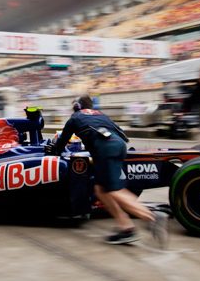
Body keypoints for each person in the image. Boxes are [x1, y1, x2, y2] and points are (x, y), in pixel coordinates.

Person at [46, 95, 169, 248]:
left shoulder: (75, 117)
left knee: (114, 190)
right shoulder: (101, 115)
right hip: (119, 146)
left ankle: (151, 217)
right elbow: (122, 135)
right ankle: (126, 228)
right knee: (101, 189)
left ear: (77, 106)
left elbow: (61, 143)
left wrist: (53, 151)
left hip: (105, 149)